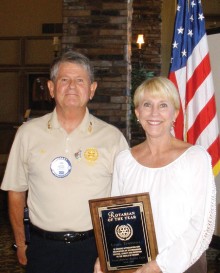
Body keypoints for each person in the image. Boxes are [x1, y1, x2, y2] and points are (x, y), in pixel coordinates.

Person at [1, 50, 128, 273]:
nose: (71, 86)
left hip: (95, 249)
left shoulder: (112, 137)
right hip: (42, 248)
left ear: (92, 89)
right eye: (64, 80)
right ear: (51, 88)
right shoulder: (27, 133)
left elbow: (124, 200)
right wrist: (21, 243)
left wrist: (115, 250)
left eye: (80, 80)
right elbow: (15, 191)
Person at [94, 76, 216, 273]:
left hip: (183, 266)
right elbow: (117, 217)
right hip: (136, 266)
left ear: (175, 112)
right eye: (147, 104)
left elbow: (200, 226)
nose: (154, 113)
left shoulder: (195, 158)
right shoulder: (124, 161)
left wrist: (160, 265)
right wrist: (106, 256)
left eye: (163, 105)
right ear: (137, 112)